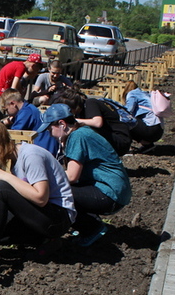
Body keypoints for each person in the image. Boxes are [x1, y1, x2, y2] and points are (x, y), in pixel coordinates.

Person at [0, 122, 75, 268]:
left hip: (58, 217)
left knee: (0, 188)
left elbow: (41, 198)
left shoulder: (31, 155)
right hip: (44, 216)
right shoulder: (14, 157)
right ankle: (46, 241)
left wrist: (6, 177)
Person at [38, 104, 132, 246]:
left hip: (110, 192)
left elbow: (71, 176)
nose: (50, 134)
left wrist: (44, 179)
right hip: (116, 190)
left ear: (62, 124)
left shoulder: (78, 136)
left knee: (58, 193)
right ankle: (88, 224)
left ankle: (92, 228)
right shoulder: (81, 132)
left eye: (50, 129)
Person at [52, 87, 133, 157]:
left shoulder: (90, 103)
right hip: (109, 138)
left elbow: (97, 123)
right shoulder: (80, 112)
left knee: (82, 131)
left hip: (119, 139)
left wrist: (73, 120)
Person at [0, 88, 61, 159]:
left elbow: (13, 134)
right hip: (47, 145)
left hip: (42, 148)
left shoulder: (25, 113)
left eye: (7, 110)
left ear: (13, 103)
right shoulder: (28, 108)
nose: (8, 114)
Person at [122, 81, 164, 154]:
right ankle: (148, 145)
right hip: (158, 129)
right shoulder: (144, 93)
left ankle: (125, 147)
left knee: (126, 121)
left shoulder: (132, 94)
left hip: (151, 129)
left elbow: (127, 111)